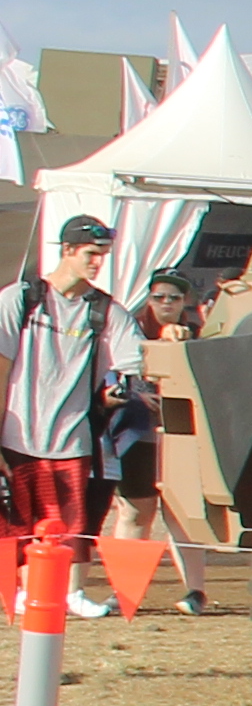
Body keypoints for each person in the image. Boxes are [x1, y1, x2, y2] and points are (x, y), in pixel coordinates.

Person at [5, 220, 141, 619]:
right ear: (67, 250)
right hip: (16, 436)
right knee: (16, 528)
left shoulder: (105, 310)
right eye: (91, 254)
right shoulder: (22, 299)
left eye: (103, 255)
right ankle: (16, 594)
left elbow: (131, 364)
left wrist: (118, 390)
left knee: (69, 528)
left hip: (73, 440)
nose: (98, 263)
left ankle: (69, 593)